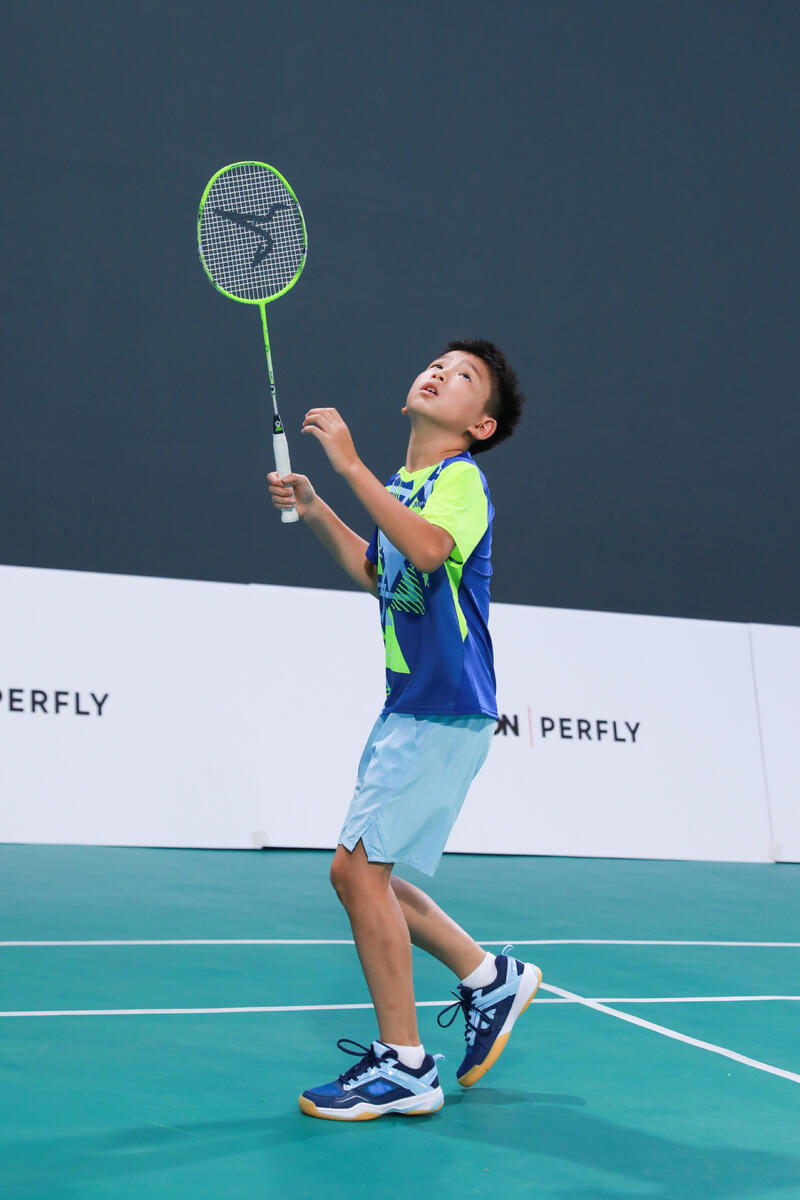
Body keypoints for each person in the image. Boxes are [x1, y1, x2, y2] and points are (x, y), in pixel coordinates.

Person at [268, 338, 541, 1121]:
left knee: (358, 873)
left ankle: (406, 1066)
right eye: (438, 363)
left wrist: (348, 469)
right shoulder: (405, 484)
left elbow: (424, 551)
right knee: (364, 873)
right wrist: (319, 506)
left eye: (463, 378)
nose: (439, 372)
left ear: (479, 425)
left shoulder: (459, 482)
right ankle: (488, 978)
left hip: (444, 701)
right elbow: (380, 573)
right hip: (413, 703)